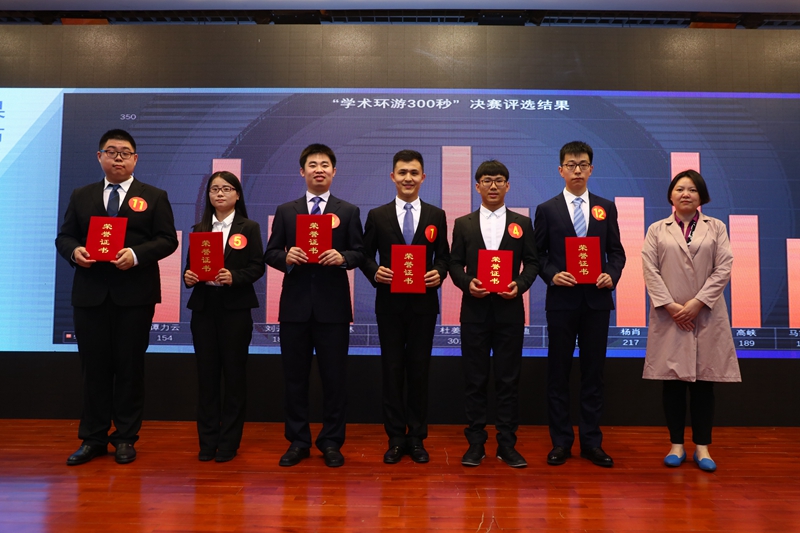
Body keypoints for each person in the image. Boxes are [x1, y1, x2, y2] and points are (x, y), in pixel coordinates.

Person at [55, 129, 179, 466]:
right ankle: (93, 438)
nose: (118, 158)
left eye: (125, 152)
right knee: (93, 368)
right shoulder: (82, 195)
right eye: (111, 151)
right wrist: (75, 252)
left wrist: (136, 255)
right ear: (100, 157)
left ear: (135, 159)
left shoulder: (154, 196)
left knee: (129, 367)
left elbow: (168, 240)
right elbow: (64, 237)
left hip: (134, 296)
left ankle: (125, 437)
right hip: (90, 295)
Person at [264, 143, 365, 468]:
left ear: (334, 171)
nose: (318, 169)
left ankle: (332, 442)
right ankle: (298, 441)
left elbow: (360, 252)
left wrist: (342, 257)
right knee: (295, 379)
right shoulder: (287, 210)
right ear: (302, 171)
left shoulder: (348, 211)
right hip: (295, 307)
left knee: (334, 379)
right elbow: (270, 252)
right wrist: (286, 257)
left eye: (324, 165)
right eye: (312, 164)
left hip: (333, 308)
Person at [534, 141, 625, 468]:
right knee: (558, 373)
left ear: (591, 169)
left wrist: (611, 274)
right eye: (571, 165)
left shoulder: (605, 207)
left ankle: (591, 442)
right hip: (562, 302)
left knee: (593, 374)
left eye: (583, 164)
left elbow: (616, 252)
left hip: (596, 302)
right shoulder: (547, 209)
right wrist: (552, 274)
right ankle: (560, 442)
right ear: (561, 170)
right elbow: (537, 255)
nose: (577, 170)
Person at [642, 170, 741, 472]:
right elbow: (649, 269)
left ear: (702, 197)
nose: (686, 194)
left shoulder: (716, 227)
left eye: (692, 190)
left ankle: (702, 447)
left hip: (706, 314)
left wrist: (697, 303)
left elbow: (724, 267)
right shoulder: (657, 229)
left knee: (703, 385)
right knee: (672, 384)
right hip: (669, 317)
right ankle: (676, 445)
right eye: (680, 189)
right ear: (671, 196)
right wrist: (672, 307)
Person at [361, 150, 450, 464]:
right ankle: (396, 438)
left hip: (424, 305)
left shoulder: (436, 215)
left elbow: (444, 256)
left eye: (414, 173)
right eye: (402, 172)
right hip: (389, 305)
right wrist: (375, 272)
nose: (408, 178)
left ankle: (417, 438)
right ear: (393, 177)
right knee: (392, 370)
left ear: (423, 177)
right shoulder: (377, 215)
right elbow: (364, 254)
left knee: (419, 371)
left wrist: (439, 272)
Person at [449, 160, 539, 468]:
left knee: (507, 380)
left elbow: (533, 262)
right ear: (477, 187)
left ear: (508, 186)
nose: (493, 186)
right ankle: (475, 444)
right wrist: (467, 283)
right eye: (487, 180)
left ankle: (506, 444)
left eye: (499, 180)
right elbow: (454, 263)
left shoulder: (522, 223)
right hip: (474, 312)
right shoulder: (463, 224)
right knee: (474, 380)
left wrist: (520, 285)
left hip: (509, 312)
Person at [183, 171, 265, 463]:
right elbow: (190, 268)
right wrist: (188, 276)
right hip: (204, 309)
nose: (219, 193)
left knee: (234, 376)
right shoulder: (200, 228)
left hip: (235, 309)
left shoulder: (249, 227)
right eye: (214, 189)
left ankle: (229, 442)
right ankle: (207, 441)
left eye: (226, 188)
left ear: (237, 195)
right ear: (208, 195)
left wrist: (235, 276)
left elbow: (257, 267)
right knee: (206, 377)